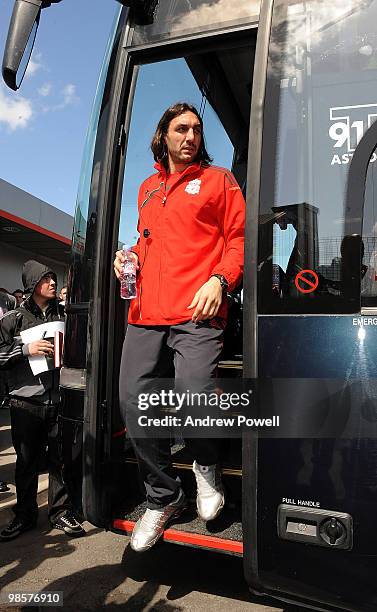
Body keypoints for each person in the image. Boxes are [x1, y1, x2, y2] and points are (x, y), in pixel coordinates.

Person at [114, 102, 245, 552]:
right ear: (163, 136)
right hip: (146, 312)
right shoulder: (148, 188)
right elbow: (147, 243)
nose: (190, 136)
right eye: (181, 129)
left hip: (198, 311)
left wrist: (221, 279)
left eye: (196, 130)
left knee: (194, 396)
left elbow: (239, 240)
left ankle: (206, 466)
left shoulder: (219, 180)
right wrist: (127, 257)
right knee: (132, 400)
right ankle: (163, 496)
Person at [0, 260, 85, 540]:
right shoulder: (14, 318)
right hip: (25, 404)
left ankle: (60, 512)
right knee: (26, 463)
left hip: (59, 400)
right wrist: (26, 348)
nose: (53, 283)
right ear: (32, 284)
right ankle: (24, 516)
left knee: (59, 461)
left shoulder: (66, 314)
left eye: (53, 278)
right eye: (46, 279)